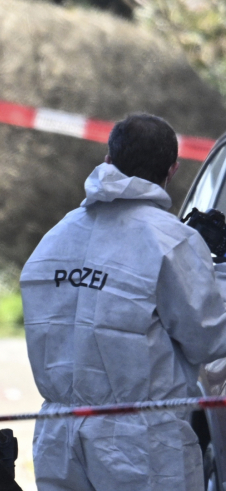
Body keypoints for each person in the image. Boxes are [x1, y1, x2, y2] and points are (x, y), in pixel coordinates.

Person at [20, 113, 226, 490]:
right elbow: (209, 339)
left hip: (58, 437)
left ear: (108, 159)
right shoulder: (172, 242)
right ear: (173, 169)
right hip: (141, 445)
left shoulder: (55, 236)